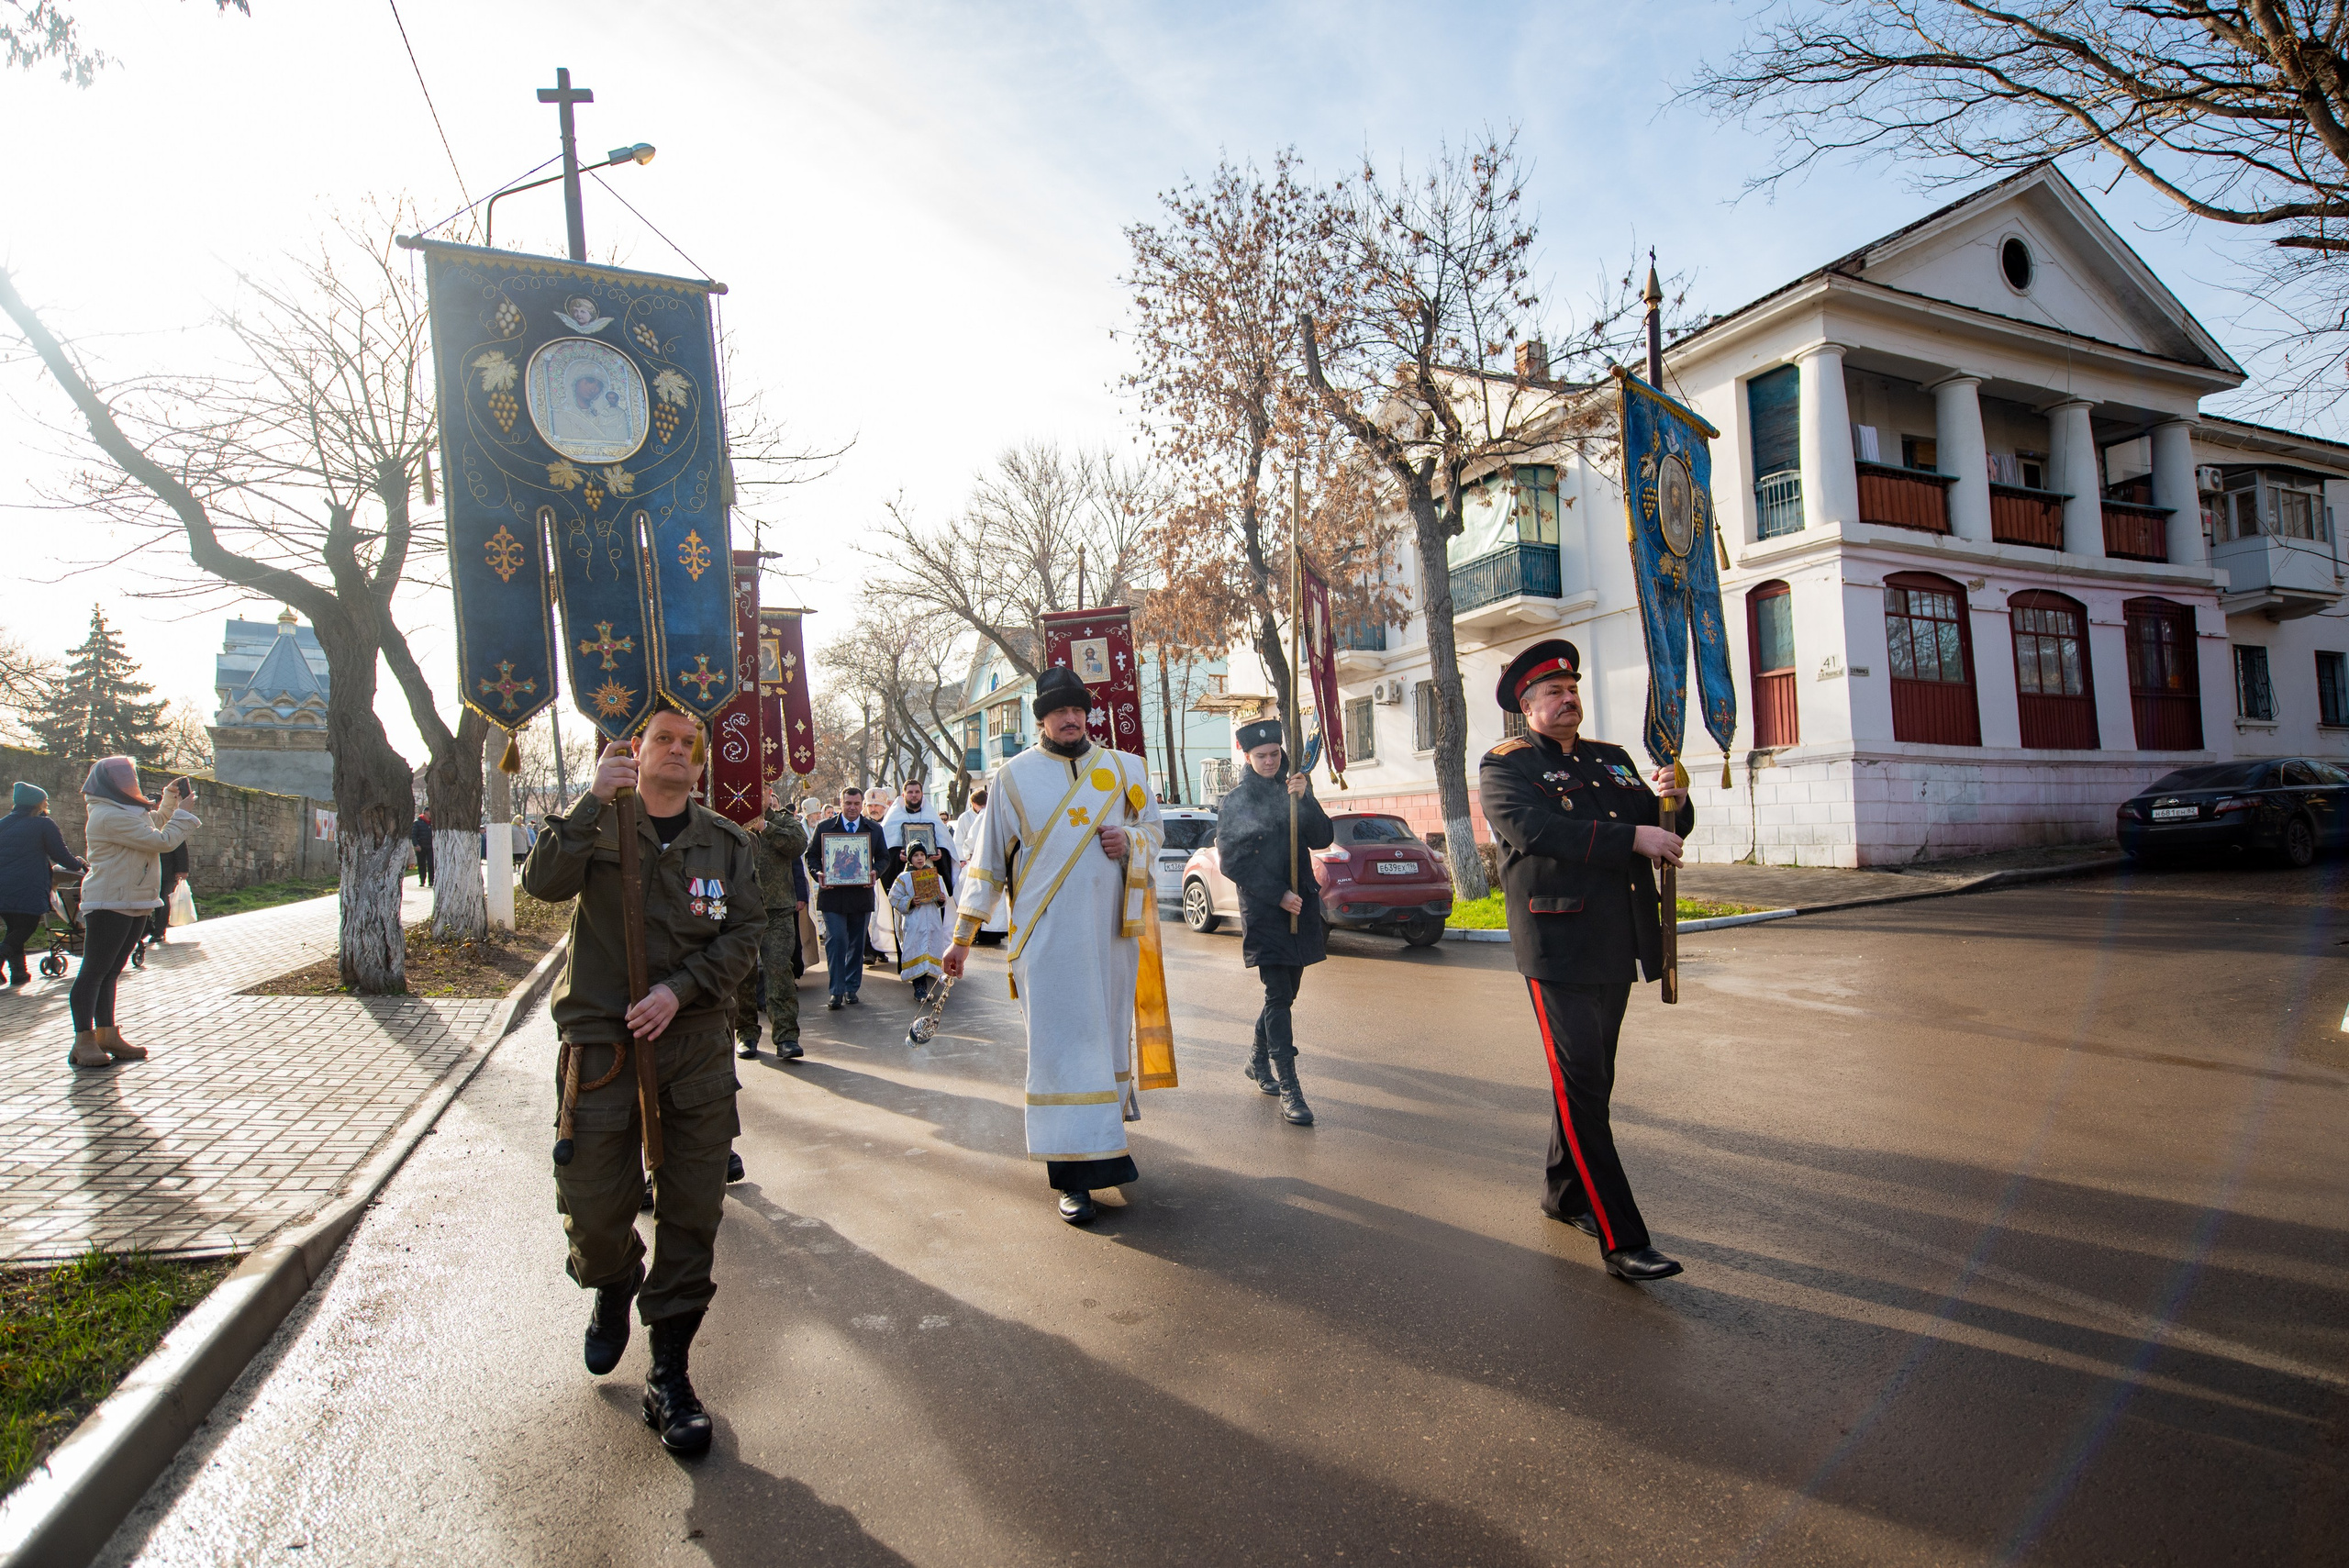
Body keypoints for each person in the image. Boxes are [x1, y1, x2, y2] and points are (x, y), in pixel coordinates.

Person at [519, 704, 763, 1455]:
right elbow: (541, 883)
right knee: (592, 1205)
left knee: (692, 1211)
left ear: (700, 763)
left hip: (690, 1045)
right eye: (663, 737)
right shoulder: (599, 824)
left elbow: (747, 933)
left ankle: (670, 1370)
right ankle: (614, 1276)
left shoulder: (724, 845)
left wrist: (681, 988)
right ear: (634, 746)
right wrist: (592, 800)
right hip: (604, 1045)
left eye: (690, 743)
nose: (677, 751)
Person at [1478, 639, 1692, 1284]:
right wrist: (1635, 835)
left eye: (1573, 689)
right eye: (1553, 692)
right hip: (1557, 946)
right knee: (1583, 1089)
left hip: (1618, 940)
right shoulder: (1505, 766)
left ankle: (1563, 1193)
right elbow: (1539, 833)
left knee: (1590, 1083)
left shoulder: (1612, 759)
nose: (1568, 699)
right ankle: (1624, 1239)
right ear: (1527, 705)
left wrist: (1672, 798)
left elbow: (1665, 829)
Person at [943, 665, 1164, 1225]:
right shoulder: (1013, 779)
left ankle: (1107, 1153)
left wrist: (1131, 840)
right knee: (1061, 1051)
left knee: (1105, 1041)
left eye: (1077, 710)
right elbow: (988, 864)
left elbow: (1155, 834)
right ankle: (1072, 1179)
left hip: (1111, 938)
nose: (1070, 719)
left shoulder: (1124, 769)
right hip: (1046, 943)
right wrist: (962, 939)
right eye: (1058, 711)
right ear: (1040, 716)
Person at [1213, 717, 1331, 1127]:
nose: (1269, 761)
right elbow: (1233, 861)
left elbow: (1321, 838)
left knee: (1286, 994)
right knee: (1278, 994)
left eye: (1275, 754)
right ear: (1247, 756)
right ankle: (1290, 1087)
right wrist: (1277, 894)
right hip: (1267, 909)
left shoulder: (1294, 787)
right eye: (1261, 755)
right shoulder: (1237, 800)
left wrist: (1307, 799)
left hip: (1301, 905)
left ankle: (1256, 1060)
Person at [72, 759, 198, 1069]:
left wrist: (171, 798)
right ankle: (83, 1040)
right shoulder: (107, 816)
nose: (133, 783)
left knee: (111, 972)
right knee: (94, 972)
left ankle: (107, 1034)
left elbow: (154, 822)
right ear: (114, 783)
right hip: (109, 902)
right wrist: (185, 814)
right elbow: (162, 840)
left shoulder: (126, 812)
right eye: (128, 778)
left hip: (134, 898)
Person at [733, 782, 810, 1062]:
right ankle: (747, 1034)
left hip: (777, 911)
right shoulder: (730, 821)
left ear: (769, 793)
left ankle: (787, 1036)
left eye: (763, 788)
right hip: (740, 910)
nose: (759, 793)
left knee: (779, 971)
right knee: (744, 975)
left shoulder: (784, 822)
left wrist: (765, 827)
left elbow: (797, 845)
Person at [805, 784, 885, 1011]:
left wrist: (875, 872)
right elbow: (811, 856)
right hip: (833, 896)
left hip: (860, 895)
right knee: (837, 940)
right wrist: (818, 873)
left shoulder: (873, 829)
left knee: (856, 943)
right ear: (841, 803)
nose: (852, 808)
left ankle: (851, 988)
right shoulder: (825, 827)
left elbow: (883, 858)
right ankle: (836, 990)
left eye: (856, 804)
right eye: (848, 803)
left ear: (862, 805)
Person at [1, 782, 83, 989]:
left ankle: (19, 974)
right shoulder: (43, 824)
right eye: (44, 800)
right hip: (28, 885)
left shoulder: (3, 823)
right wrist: (79, 864)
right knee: (26, 927)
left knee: (14, 929)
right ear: (38, 803)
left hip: (3, 886)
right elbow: (61, 854)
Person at [886, 842, 951, 1002]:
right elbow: (893, 897)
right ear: (910, 858)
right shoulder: (903, 878)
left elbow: (944, 897)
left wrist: (942, 899)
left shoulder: (935, 876)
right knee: (916, 950)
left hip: (932, 921)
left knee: (931, 949)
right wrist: (910, 901)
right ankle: (919, 988)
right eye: (916, 855)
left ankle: (930, 986)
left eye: (922, 855)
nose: (920, 858)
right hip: (915, 921)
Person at [410, 809, 434, 887]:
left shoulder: (433, 823)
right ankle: (422, 881)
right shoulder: (417, 823)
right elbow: (413, 835)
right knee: (421, 864)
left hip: (431, 847)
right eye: (430, 811)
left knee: (431, 864)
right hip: (421, 847)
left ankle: (431, 881)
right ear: (426, 812)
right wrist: (416, 844)